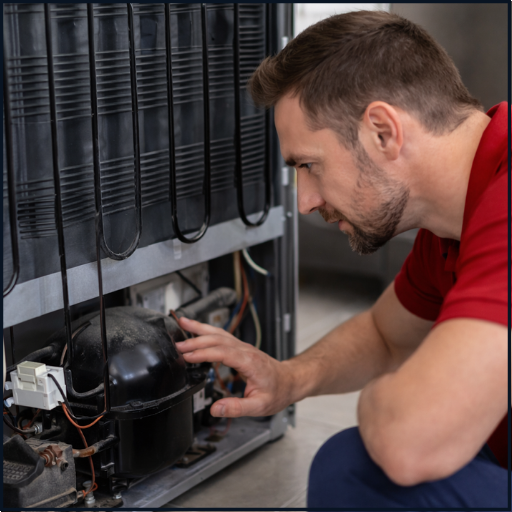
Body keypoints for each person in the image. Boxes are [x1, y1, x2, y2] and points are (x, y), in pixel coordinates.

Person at [176, 10, 508, 508]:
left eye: (309, 166)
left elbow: (409, 439)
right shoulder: (452, 226)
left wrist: (396, 398)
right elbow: (385, 336)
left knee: (356, 470)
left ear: (382, 131)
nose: (305, 201)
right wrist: (288, 378)